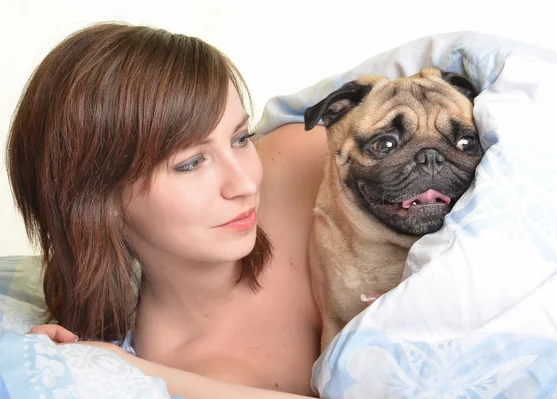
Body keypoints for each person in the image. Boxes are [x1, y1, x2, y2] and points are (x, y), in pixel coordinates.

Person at [6, 22, 330, 398]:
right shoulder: (165, 374)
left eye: (241, 139)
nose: (245, 183)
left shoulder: (314, 160)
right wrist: (123, 368)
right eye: (191, 163)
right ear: (99, 202)